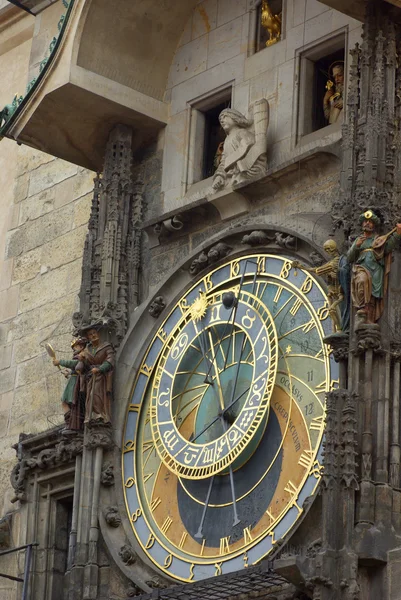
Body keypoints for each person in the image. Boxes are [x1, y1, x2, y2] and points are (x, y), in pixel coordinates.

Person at [347, 210, 401, 323]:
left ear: (374, 225)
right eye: (365, 221)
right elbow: (349, 258)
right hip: (362, 268)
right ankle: (362, 309)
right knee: (362, 281)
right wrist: (356, 246)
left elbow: (387, 249)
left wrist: (397, 234)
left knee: (373, 295)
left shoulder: (377, 240)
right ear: (362, 224)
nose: (367, 223)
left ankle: (369, 318)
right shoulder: (358, 240)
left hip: (376, 269)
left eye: (370, 222)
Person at [292, 239, 350, 333]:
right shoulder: (335, 261)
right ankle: (338, 329)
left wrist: (302, 267)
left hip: (340, 292)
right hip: (334, 292)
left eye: (327, 249)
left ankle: (339, 329)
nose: (327, 252)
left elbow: (318, 270)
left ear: (332, 249)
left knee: (332, 309)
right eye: (326, 250)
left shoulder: (334, 262)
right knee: (332, 309)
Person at [212, 100, 269, 191]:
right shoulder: (226, 141)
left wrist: (232, 162)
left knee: (239, 179)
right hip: (233, 172)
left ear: (234, 117)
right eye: (220, 120)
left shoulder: (241, 132)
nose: (222, 121)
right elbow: (223, 162)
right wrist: (219, 176)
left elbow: (248, 146)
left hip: (248, 169)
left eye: (224, 116)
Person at [77, 325, 115, 423]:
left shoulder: (106, 346)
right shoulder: (86, 351)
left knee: (96, 394)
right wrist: (82, 360)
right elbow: (83, 366)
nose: (93, 335)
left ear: (98, 334)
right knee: (90, 396)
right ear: (88, 337)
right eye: (90, 334)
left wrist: (100, 369)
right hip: (90, 377)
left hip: (101, 376)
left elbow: (110, 360)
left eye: (94, 333)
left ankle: (100, 414)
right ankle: (92, 415)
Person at [53, 337, 87, 432]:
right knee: (66, 402)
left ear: (81, 346)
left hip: (76, 383)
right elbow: (75, 368)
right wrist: (69, 373)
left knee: (67, 402)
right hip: (74, 381)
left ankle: (70, 424)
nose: (74, 349)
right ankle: (69, 423)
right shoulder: (79, 355)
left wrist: (60, 362)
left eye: (75, 346)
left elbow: (74, 364)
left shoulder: (83, 355)